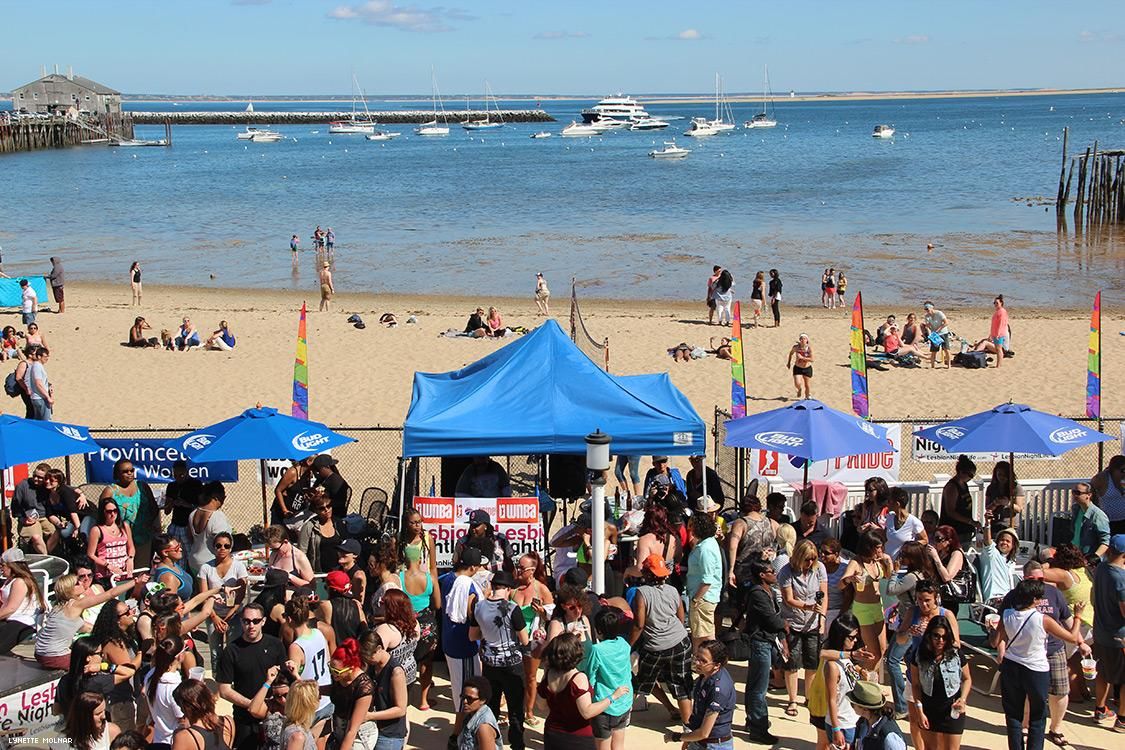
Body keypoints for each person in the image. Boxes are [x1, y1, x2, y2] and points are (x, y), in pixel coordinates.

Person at [992, 578, 1084, 750]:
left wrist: (994, 628)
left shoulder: (1007, 615)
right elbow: (1072, 637)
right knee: (1038, 717)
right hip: (1035, 670)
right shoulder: (1043, 620)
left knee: (1013, 715)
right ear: (1034, 600)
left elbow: (995, 641)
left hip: (1011, 667)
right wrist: (1078, 616)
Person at [629, 553, 692, 723]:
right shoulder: (673, 590)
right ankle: (689, 726)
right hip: (681, 643)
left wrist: (628, 646)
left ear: (647, 573)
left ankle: (670, 708)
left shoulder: (641, 593)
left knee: (643, 679)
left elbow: (639, 625)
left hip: (655, 647)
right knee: (681, 685)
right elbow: (680, 617)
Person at [538, 633, 629, 750]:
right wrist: (613, 697)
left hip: (553, 734)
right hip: (577, 737)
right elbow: (587, 712)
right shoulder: (578, 678)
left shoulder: (548, 675)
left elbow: (541, 705)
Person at [470, 570, 529, 750]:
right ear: (509, 589)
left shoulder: (479, 607)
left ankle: (491, 743)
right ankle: (517, 744)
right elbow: (524, 640)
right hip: (512, 665)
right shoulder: (512, 609)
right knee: (516, 708)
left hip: (489, 663)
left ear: (493, 587)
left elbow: (472, 636)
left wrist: (488, 634)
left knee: (491, 707)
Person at [218, 602, 287, 750]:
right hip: (244, 720)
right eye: (246, 621)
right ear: (241, 622)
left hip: (274, 717)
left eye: (256, 621)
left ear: (263, 621)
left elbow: (284, 680)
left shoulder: (275, 645)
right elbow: (224, 690)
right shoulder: (231, 651)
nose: (251, 625)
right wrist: (253, 706)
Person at [779, 539, 828, 717]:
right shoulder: (786, 572)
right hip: (793, 622)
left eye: (813, 559)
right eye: (807, 559)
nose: (810, 563)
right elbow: (788, 599)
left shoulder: (819, 568)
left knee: (812, 663)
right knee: (791, 663)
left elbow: (824, 595)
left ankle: (809, 697)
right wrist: (808, 606)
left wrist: (822, 618)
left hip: (814, 623)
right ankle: (792, 699)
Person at [909, 615, 971, 750]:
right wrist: (919, 711)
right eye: (936, 636)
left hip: (952, 709)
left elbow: (967, 679)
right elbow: (916, 685)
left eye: (944, 637)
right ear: (929, 635)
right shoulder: (919, 655)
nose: (940, 640)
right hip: (929, 709)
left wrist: (963, 699)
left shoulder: (956, 654)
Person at [442, 546, 486, 730]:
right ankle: (458, 734)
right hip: (464, 646)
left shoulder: (446, 579)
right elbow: (471, 615)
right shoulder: (468, 586)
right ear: (474, 568)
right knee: (467, 695)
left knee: (458, 689)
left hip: (449, 642)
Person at [663, 640, 735, 750]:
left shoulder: (718, 691)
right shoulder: (706, 674)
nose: (697, 663)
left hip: (713, 746)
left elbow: (704, 732)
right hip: (700, 742)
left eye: (703, 661)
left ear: (717, 665)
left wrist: (677, 737)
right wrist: (689, 739)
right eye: (697, 657)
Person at [743, 559, 784, 744]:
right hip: (760, 643)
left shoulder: (768, 592)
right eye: (771, 571)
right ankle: (759, 728)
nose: (774, 573)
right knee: (758, 689)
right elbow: (773, 621)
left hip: (766, 642)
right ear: (762, 575)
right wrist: (784, 624)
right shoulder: (758, 594)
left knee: (755, 686)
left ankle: (752, 720)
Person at [840, 531, 893, 671]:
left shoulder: (878, 561)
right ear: (868, 547)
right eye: (878, 547)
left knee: (882, 650)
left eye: (881, 547)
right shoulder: (856, 562)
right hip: (863, 609)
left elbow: (888, 577)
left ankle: (870, 682)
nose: (880, 550)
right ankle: (861, 679)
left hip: (877, 606)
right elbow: (840, 584)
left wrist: (889, 564)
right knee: (873, 651)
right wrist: (849, 579)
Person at [198, 530, 249, 673]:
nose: (222, 549)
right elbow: (204, 595)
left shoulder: (238, 566)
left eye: (226, 546)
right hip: (213, 613)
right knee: (215, 652)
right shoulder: (206, 568)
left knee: (234, 649)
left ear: (231, 548)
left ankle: (233, 679)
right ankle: (217, 681)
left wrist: (231, 613)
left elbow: (241, 593)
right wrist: (214, 618)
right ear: (213, 547)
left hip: (234, 614)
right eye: (218, 545)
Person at [283, 597, 334, 736]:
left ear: (289, 619)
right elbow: (328, 662)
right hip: (326, 699)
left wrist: (294, 673)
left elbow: (298, 683)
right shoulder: (318, 633)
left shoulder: (296, 646)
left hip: (310, 704)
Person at [584, 607, 632, 750]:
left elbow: (590, 675)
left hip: (604, 705)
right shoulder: (624, 643)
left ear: (598, 630)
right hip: (624, 701)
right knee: (618, 746)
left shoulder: (597, 650)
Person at [1091, 534, 1125, 729]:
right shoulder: (1120, 578)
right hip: (1119, 636)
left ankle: (1100, 709)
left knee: (1103, 673)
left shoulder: (1102, 569)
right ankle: (1122, 718)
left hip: (1101, 632)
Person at [100, 458, 159, 570]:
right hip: (120, 540)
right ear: (117, 474)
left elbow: (154, 508)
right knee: (124, 572)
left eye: (131, 470)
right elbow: (102, 516)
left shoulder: (142, 487)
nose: (129, 473)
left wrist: (149, 525)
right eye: (125, 471)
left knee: (142, 571)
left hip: (143, 538)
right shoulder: (110, 491)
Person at [359, 628, 410, 750]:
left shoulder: (396, 673)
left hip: (390, 735)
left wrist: (370, 716)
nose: (366, 659)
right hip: (375, 729)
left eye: (368, 655)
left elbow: (400, 709)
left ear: (379, 649)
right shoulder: (373, 666)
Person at [686, 513, 722, 649]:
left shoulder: (705, 549)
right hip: (702, 596)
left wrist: (696, 600)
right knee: (698, 634)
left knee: (705, 636)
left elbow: (707, 579)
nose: (690, 528)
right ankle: (698, 662)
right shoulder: (707, 543)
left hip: (703, 598)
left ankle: (710, 663)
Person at [144, 636, 187, 750]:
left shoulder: (150, 675)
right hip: (174, 743)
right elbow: (183, 721)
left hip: (158, 739)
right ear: (178, 656)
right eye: (185, 649)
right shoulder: (175, 688)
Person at [0, 548, 45, 654]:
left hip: (21, 622)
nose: (1, 568)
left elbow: (11, 608)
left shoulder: (19, 582)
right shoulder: (9, 580)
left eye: (3, 565)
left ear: (12, 565)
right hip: (9, 620)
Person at [170, 679, 236, 750]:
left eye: (180, 707)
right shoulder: (228, 722)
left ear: (186, 708)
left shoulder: (184, 736)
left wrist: (178, 731)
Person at [87, 497, 135, 588]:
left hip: (124, 573)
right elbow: (91, 554)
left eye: (115, 510)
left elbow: (131, 547)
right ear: (103, 512)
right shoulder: (97, 530)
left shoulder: (124, 526)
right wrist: (108, 565)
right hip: (106, 575)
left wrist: (130, 559)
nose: (113, 514)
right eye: (109, 511)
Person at [848, 680, 907, 750]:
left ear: (865, 709)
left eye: (852, 704)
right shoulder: (863, 722)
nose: (851, 706)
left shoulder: (889, 738)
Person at [928, 525, 968, 619]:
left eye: (938, 539)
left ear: (949, 541)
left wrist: (935, 557)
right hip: (936, 596)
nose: (935, 542)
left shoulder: (956, 554)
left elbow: (947, 577)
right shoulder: (940, 553)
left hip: (950, 598)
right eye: (934, 538)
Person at [940, 455, 979, 549]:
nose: (971, 478)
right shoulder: (952, 487)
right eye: (970, 475)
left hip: (965, 529)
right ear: (961, 472)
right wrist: (970, 522)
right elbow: (951, 512)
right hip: (954, 529)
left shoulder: (964, 485)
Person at [12, 463, 50, 554]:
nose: (36, 479)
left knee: (56, 533)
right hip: (29, 518)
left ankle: (59, 557)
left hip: (46, 517)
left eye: (40, 477)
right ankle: (47, 559)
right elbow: (15, 507)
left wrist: (80, 494)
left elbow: (65, 489)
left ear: (47, 478)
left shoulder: (49, 486)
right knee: (36, 537)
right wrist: (23, 519)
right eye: (34, 476)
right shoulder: (23, 485)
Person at [460, 675, 504, 750]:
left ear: (482, 700)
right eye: (463, 697)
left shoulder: (483, 728)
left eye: (470, 699)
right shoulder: (472, 712)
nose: (465, 701)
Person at [979, 524, 1019, 605]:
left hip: (1010, 599)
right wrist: (987, 523)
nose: (1004, 542)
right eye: (1002, 540)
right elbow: (987, 541)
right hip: (994, 600)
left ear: (1013, 545)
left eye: (1008, 541)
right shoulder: (992, 555)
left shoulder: (1012, 563)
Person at [884, 486, 927, 559]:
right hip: (887, 563)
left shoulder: (914, 522)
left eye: (889, 501)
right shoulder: (889, 518)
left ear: (897, 504)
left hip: (904, 564)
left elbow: (925, 540)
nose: (887, 504)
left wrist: (909, 547)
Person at [1069, 482, 1110, 558]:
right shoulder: (1076, 509)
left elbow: (1105, 542)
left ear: (1089, 495)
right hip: (1075, 553)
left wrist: (1095, 557)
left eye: (1078, 493)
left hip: (1088, 556)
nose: (1074, 495)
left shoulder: (1098, 515)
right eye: (1073, 492)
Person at [970, 295, 1010, 368]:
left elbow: (1001, 324)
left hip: (999, 334)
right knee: (994, 347)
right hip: (995, 334)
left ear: (1001, 303)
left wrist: (997, 334)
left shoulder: (1002, 312)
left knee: (998, 349)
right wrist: (991, 335)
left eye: (997, 303)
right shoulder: (998, 311)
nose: (995, 304)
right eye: (994, 303)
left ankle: (999, 365)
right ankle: (974, 353)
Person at [985, 461, 1024, 534]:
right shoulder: (991, 488)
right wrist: (995, 504)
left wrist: (1008, 503)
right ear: (995, 474)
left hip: (1010, 525)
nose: (1001, 477)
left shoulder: (1016, 488)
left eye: (1004, 475)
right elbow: (987, 508)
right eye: (999, 474)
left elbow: (1019, 509)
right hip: (995, 523)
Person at [1090, 455, 1125, 535]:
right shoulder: (1102, 478)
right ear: (1114, 469)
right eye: (1123, 470)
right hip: (1107, 522)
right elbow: (1088, 493)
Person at [312, 453, 351, 518]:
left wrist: (321, 500)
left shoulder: (336, 481)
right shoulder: (323, 479)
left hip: (333, 515)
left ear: (324, 468)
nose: (316, 473)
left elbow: (340, 502)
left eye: (317, 470)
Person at [23, 343, 52, 420]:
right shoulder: (37, 366)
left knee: (38, 421)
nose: (47, 358)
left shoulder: (37, 366)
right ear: (39, 356)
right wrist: (48, 397)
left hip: (38, 398)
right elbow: (38, 383)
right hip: (40, 398)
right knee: (45, 422)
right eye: (45, 356)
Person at [921, 301, 952, 369]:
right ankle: (932, 366)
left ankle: (949, 365)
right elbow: (929, 326)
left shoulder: (939, 313)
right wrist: (926, 327)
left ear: (931, 308)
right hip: (934, 335)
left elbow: (946, 322)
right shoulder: (927, 316)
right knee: (933, 351)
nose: (926, 311)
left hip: (943, 333)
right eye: (925, 309)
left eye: (927, 309)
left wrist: (938, 330)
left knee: (946, 349)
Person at [787, 333, 814, 399]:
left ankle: (807, 396)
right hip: (798, 367)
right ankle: (799, 389)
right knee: (797, 383)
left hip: (807, 368)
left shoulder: (809, 348)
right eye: (801, 339)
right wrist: (789, 363)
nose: (802, 340)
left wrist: (802, 358)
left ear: (807, 340)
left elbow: (812, 359)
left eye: (804, 339)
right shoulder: (796, 347)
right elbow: (791, 354)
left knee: (807, 385)